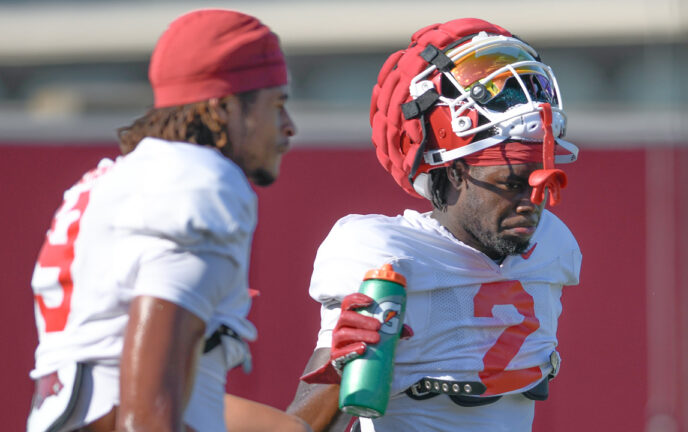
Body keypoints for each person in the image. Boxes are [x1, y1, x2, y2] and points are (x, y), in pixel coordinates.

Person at [287, 18, 582, 432]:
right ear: (457, 172)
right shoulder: (385, 257)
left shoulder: (551, 245)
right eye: (513, 183)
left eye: (542, 181)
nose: (533, 203)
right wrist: (342, 369)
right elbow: (302, 427)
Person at [27, 9, 309, 432]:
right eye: (277, 104)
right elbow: (145, 413)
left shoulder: (113, 179)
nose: (288, 127)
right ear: (225, 107)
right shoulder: (200, 182)